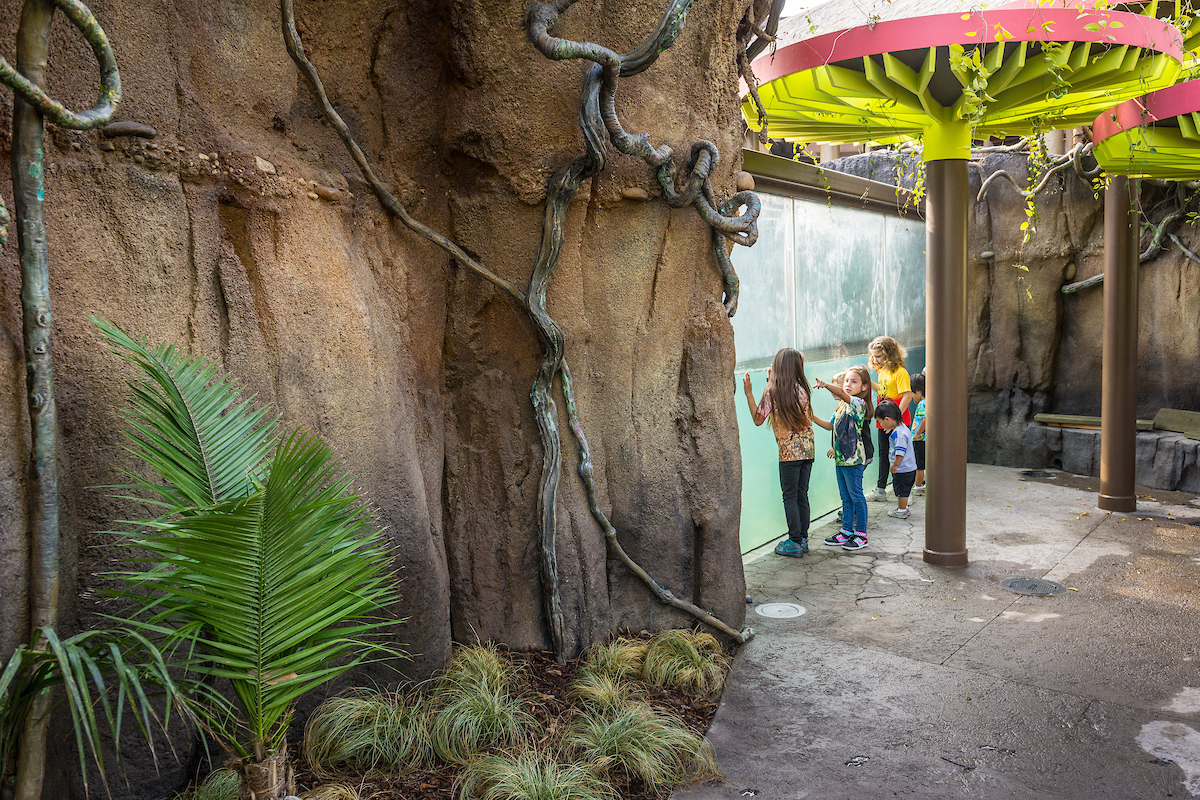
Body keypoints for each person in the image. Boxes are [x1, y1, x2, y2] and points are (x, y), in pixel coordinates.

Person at [743, 348, 815, 558]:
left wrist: (749, 392)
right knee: (802, 494)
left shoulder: (772, 390)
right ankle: (802, 538)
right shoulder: (803, 388)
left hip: (789, 454)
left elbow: (758, 419)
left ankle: (793, 542)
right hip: (808, 449)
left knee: (790, 496)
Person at [811, 366, 873, 551]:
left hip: (854, 460)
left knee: (856, 496)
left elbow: (843, 394)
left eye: (854, 381)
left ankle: (861, 534)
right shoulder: (841, 405)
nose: (848, 384)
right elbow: (830, 426)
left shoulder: (858, 404)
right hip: (841, 460)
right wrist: (811, 417)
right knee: (845, 497)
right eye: (847, 381)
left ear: (864, 387)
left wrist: (825, 385)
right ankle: (846, 531)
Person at [865, 336, 912, 502]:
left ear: (889, 354)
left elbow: (907, 396)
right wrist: (868, 381)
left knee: (901, 456)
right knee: (883, 454)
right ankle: (880, 489)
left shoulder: (900, 372)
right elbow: (883, 391)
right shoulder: (882, 371)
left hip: (896, 423)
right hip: (883, 422)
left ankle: (907, 493)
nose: (875, 360)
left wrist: (894, 420)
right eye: (873, 356)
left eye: (878, 356)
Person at [876, 400, 917, 519]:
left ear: (887, 419)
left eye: (880, 422)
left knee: (901, 491)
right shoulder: (903, 428)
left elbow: (900, 452)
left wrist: (895, 465)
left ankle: (901, 510)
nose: (881, 425)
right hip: (909, 468)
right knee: (904, 490)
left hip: (903, 469)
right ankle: (903, 508)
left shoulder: (899, 435)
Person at [910, 373, 926, 496]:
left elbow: (925, 419)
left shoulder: (922, 404)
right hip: (923, 439)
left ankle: (918, 486)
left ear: (919, 391)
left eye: (912, 393)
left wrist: (917, 434)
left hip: (920, 439)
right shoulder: (928, 402)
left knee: (919, 465)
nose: (911, 397)